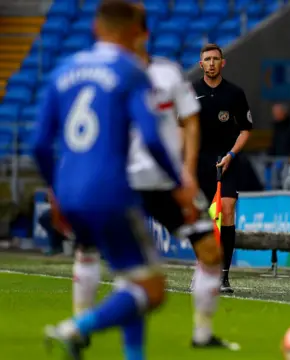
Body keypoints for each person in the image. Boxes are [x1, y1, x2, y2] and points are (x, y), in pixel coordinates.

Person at [68, 4, 238, 350]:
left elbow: (190, 120)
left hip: (163, 184)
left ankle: (202, 334)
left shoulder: (167, 73)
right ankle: (80, 326)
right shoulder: (108, 75)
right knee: (96, 255)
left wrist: (187, 169)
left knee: (209, 249)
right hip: (120, 184)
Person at [34, 1, 190, 359]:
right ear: (133, 32)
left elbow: (40, 143)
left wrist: (54, 193)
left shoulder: (63, 70)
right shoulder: (130, 71)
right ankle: (76, 328)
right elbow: (151, 138)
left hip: (70, 191)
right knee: (151, 289)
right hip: (110, 192)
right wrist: (178, 183)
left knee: (128, 278)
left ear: (95, 28)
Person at [192, 43, 253, 293]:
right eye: (207, 59)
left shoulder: (235, 93)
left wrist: (231, 154)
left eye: (216, 59)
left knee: (227, 211)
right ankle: (202, 269)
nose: (212, 63)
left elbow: (246, 130)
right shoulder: (190, 91)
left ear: (223, 62)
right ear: (201, 64)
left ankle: (224, 276)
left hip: (227, 160)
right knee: (203, 218)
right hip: (199, 161)